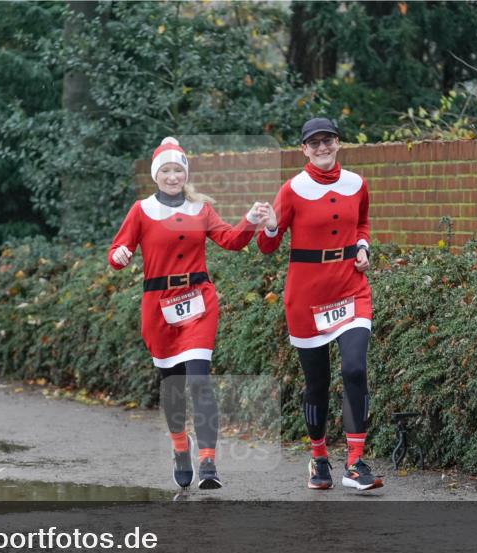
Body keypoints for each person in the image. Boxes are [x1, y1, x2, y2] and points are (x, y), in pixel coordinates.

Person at [108, 137, 270, 490]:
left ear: (185, 173)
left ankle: (208, 462)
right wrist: (119, 255)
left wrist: (250, 219)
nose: (172, 176)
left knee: (199, 380)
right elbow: (119, 249)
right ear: (156, 175)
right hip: (158, 305)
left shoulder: (200, 210)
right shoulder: (142, 210)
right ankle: (181, 449)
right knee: (173, 387)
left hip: (198, 299)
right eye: (165, 170)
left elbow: (230, 240)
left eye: (177, 170)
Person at [258, 118, 382, 491]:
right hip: (307, 296)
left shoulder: (357, 184)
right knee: (317, 383)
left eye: (328, 140)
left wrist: (363, 247)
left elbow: (362, 224)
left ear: (338, 143)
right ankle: (318, 458)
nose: (323, 147)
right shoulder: (292, 190)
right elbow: (268, 246)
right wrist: (267, 226)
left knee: (356, 370)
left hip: (350, 289)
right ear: (304, 149)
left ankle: (356, 463)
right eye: (315, 143)